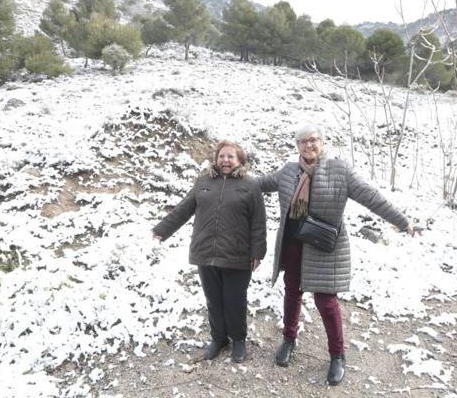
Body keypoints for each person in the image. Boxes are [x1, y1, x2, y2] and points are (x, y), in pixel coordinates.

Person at [258, 124, 414, 385]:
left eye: (314, 140)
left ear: (322, 142)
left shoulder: (339, 170)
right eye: (303, 141)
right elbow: (259, 184)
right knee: (292, 293)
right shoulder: (288, 172)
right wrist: (229, 175)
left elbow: (370, 196)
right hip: (294, 245)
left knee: (326, 302)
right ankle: (288, 339)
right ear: (297, 146)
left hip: (324, 247)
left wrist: (402, 220)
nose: (309, 145)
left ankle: (337, 355)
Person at [152, 140, 267, 363]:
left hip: (237, 254)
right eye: (222, 156)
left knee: (235, 300)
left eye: (230, 157)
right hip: (206, 252)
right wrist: (161, 230)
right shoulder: (203, 181)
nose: (225, 160)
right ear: (216, 159)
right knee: (213, 300)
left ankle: (239, 340)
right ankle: (218, 338)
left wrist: (257, 252)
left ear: (239, 160)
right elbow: (184, 209)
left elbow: (258, 222)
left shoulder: (250, 185)